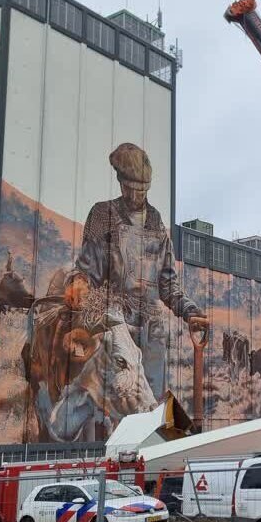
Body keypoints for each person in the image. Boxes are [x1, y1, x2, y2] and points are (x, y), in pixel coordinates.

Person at [64, 142, 207, 396]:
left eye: (142, 190)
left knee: (150, 407)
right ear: (120, 183)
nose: (135, 195)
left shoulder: (156, 224)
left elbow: (168, 285)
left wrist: (190, 310)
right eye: (130, 188)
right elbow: (88, 270)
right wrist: (79, 281)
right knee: (115, 403)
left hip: (152, 335)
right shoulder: (102, 215)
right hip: (115, 329)